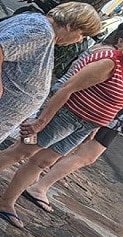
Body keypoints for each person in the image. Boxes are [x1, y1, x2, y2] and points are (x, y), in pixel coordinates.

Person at [0, 32, 123, 229]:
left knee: (43, 161)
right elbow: (66, 89)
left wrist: (92, 129)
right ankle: (6, 202)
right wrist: (41, 121)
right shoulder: (110, 63)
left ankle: (6, 202)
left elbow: (108, 103)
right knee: (21, 151)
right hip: (61, 117)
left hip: (82, 126)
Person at [23, 32, 123, 209]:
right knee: (84, 156)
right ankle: (40, 186)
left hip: (92, 104)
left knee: (53, 145)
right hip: (114, 117)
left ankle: (30, 175)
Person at [0, 2, 102, 145]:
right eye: (82, 34)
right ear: (70, 25)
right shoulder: (41, 31)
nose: (80, 40)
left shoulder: (42, 29)